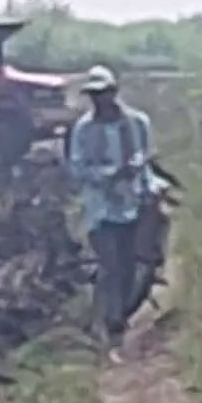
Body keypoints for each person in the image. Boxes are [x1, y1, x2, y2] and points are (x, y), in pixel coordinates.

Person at [66, 65, 157, 361]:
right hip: (100, 205)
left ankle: (119, 315)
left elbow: (145, 158)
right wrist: (110, 175)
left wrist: (143, 186)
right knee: (110, 264)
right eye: (94, 95)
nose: (100, 100)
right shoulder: (84, 129)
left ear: (114, 92)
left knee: (132, 263)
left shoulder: (137, 123)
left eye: (103, 94)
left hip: (133, 200)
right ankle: (111, 324)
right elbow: (78, 168)